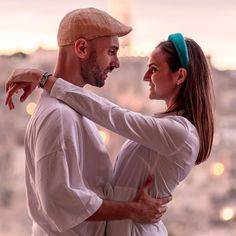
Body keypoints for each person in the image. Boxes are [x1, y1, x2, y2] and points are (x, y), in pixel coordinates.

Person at [6, 32, 215, 235]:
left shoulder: (180, 133)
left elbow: (112, 115)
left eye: (153, 69)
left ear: (180, 75)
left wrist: (44, 79)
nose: (145, 76)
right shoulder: (167, 127)